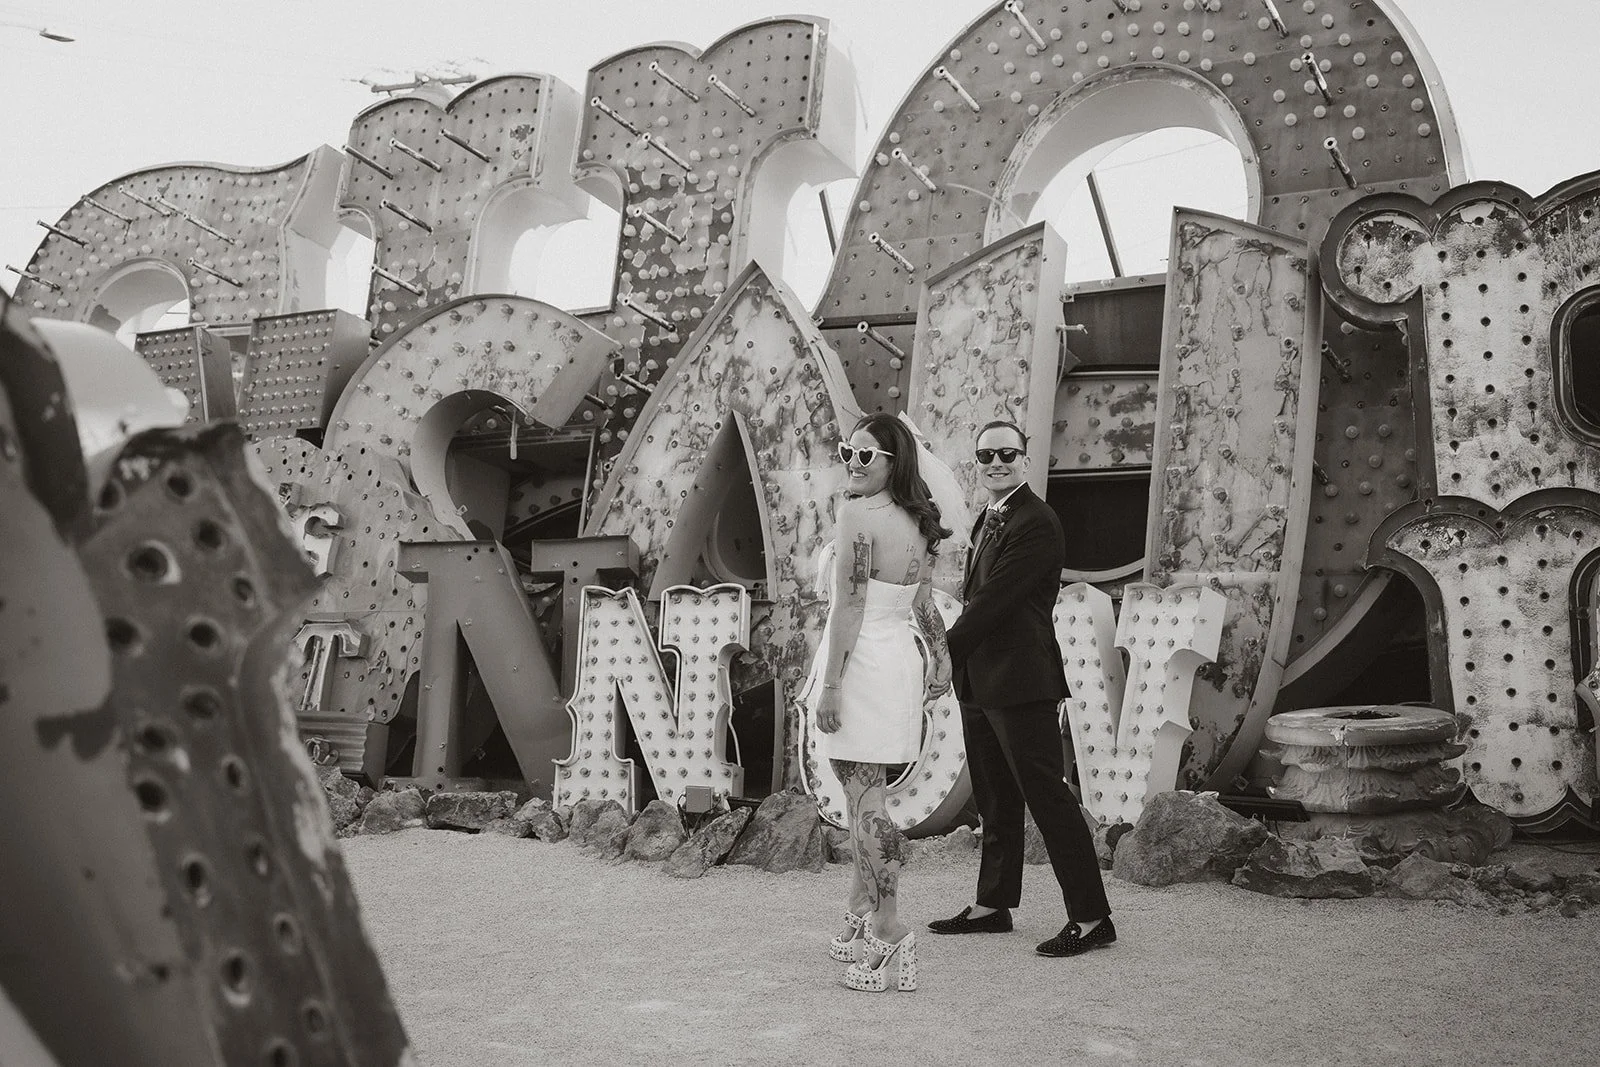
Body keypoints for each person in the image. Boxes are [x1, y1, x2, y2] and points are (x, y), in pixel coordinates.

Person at [929, 419, 1115, 957]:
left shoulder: (1036, 521)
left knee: (1048, 798)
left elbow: (996, 600)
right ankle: (992, 905)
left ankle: (1091, 916)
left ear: (1025, 459)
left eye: (1007, 453)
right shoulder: (990, 517)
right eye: (985, 455)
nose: (996, 463)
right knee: (995, 796)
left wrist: (941, 653)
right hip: (981, 680)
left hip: (1021, 680)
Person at [808, 411, 952, 993]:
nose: (852, 464)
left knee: (865, 805)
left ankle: (890, 927)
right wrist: (941, 657)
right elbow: (923, 604)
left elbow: (848, 606)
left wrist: (833, 686)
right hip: (900, 664)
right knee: (869, 799)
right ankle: (862, 914)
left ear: (894, 462)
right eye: (847, 452)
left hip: (861, 662)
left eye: (865, 456)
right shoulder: (918, 522)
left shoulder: (856, 516)